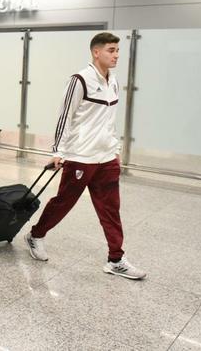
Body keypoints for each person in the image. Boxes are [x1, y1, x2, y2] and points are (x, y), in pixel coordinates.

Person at [25, 32, 146, 280]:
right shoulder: (80, 80)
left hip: (106, 158)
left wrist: (115, 149)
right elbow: (65, 116)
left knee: (111, 209)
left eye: (117, 51)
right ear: (96, 52)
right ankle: (35, 235)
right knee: (64, 202)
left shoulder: (113, 81)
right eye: (111, 50)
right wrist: (58, 151)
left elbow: (109, 120)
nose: (116, 55)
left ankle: (116, 258)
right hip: (81, 156)